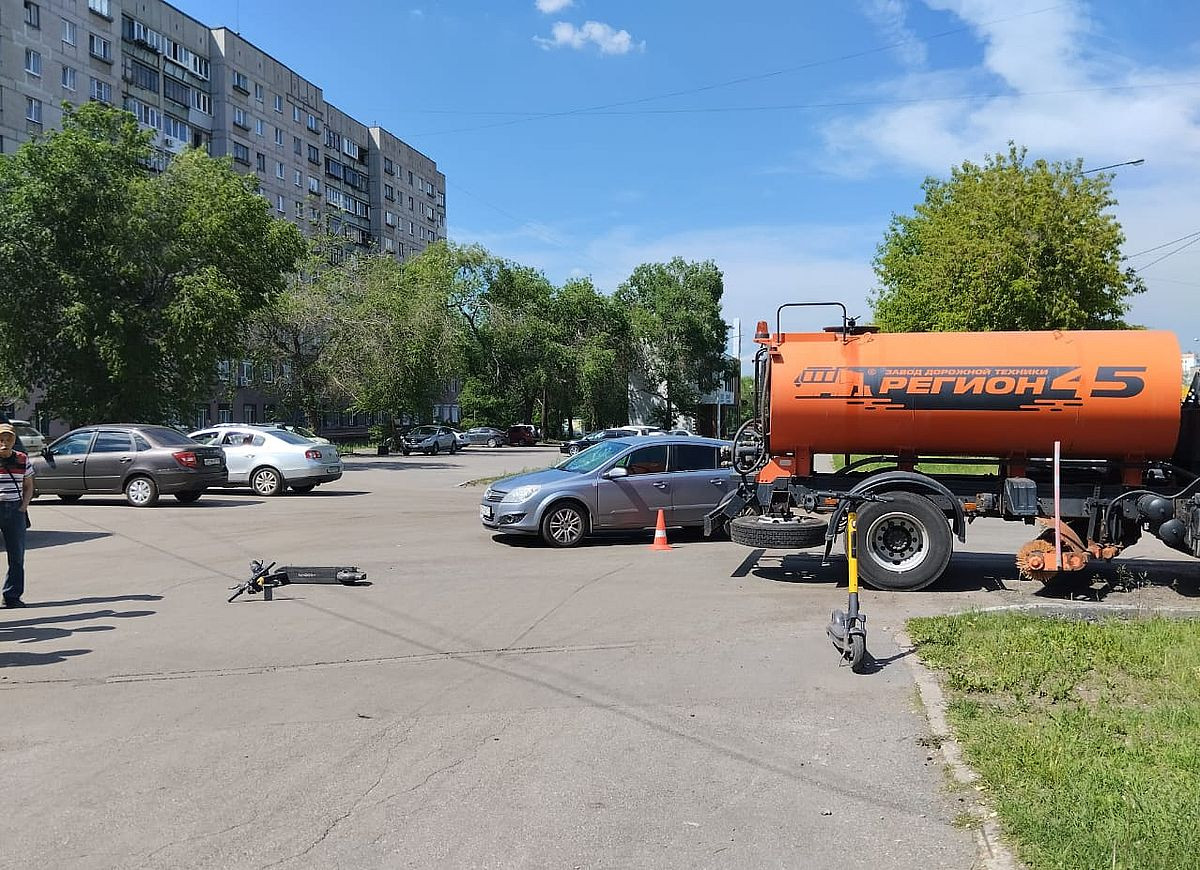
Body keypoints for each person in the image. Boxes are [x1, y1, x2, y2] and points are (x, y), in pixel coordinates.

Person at [0, 421, 34, 607]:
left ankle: (12, 596)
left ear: (13, 441)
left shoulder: (22, 459)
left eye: (8, 439)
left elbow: (29, 485)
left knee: (16, 555)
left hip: (14, 510)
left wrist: (23, 506)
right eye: (1, 439)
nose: (4, 442)